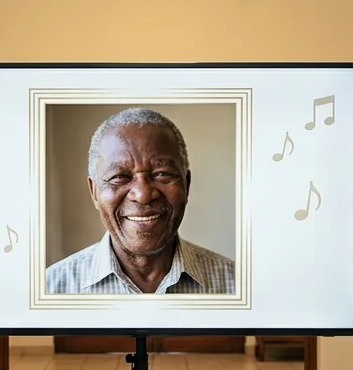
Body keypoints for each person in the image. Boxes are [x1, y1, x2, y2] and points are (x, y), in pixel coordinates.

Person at [45, 107, 235, 294]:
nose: (143, 194)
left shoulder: (238, 286)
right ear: (94, 191)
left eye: (162, 174)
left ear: (186, 184)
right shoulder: (50, 289)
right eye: (119, 176)